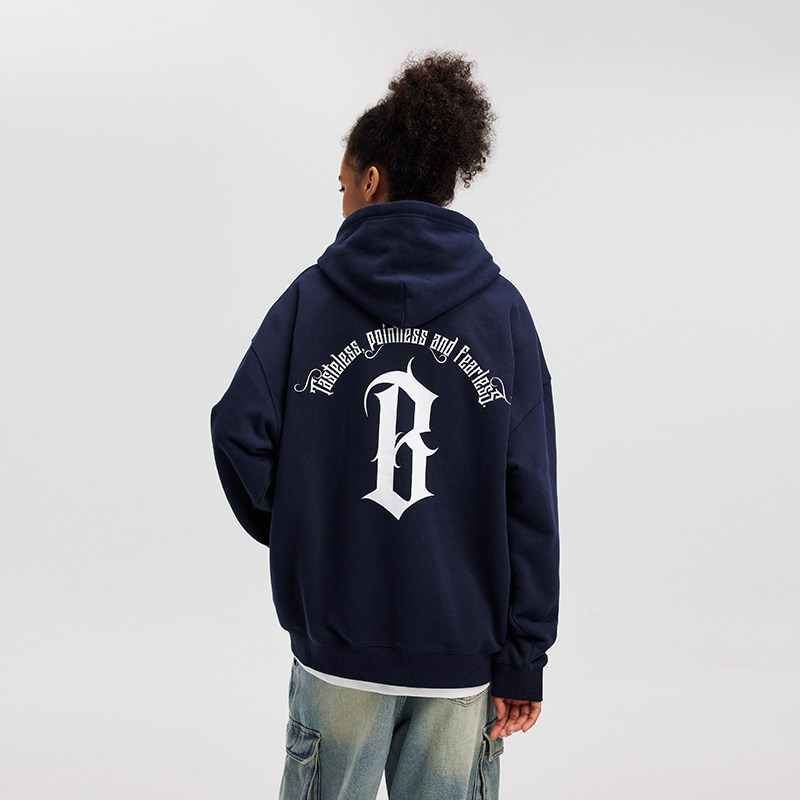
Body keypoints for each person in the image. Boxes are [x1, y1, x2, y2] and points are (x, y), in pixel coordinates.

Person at [210, 50, 559, 800]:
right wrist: (524, 657)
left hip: (338, 647)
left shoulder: (310, 300)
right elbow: (530, 494)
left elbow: (239, 429)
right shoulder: (502, 314)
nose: (340, 202)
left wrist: (309, 532)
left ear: (371, 181)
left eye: (342, 185)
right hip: (461, 658)